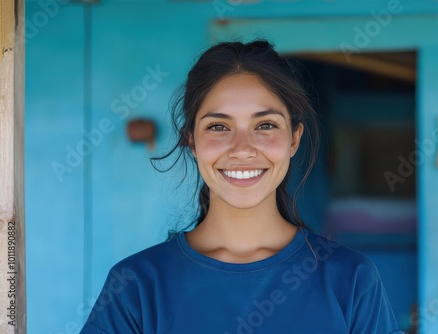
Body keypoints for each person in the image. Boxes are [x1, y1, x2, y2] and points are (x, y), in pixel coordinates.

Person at [80, 40, 403, 334]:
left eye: (265, 125)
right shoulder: (137, 284)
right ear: (191, 140)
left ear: (294, 138)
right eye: (218, 126)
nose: (242, 149)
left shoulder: (349, 279)